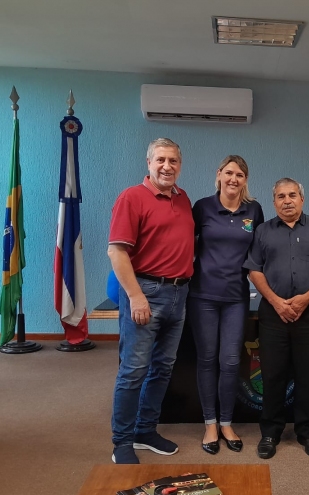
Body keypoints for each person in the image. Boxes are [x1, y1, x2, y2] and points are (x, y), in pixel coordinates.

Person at [107, 138, 194, 464]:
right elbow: (116, 252)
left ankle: (146, 430)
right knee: (133, 371)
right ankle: (122, 442)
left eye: (173, 160)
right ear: (149, 162)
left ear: (180, 165)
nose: (167, 166)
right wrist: (136, 297)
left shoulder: (183, 199)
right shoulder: (132, 197)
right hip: (146, 294)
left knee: (162, 368)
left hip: (178, 294)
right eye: (160, 160)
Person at [243, 178, 309, 460]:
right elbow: (254, 270)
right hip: (273, 313)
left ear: (302, 199)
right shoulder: (262, 231)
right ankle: (270, 432)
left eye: (292, 195)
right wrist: (276, 302)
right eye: (281, 196)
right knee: (272, 374)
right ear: (274, 202)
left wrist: (306, 298)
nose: (287, 201)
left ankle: (308, 433)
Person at [187, 155, 264, 455]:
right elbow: (186, 245)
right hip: (203, 296)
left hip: (236, 297)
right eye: (229, 173)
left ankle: (227, 422)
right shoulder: (202, 207)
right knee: (207, 359)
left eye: (240, 175)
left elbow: (259, 252)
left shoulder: (253, 210)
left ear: (245, 180)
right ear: (218, 174)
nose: (234, 179)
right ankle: (210, 423)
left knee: (231, 361)